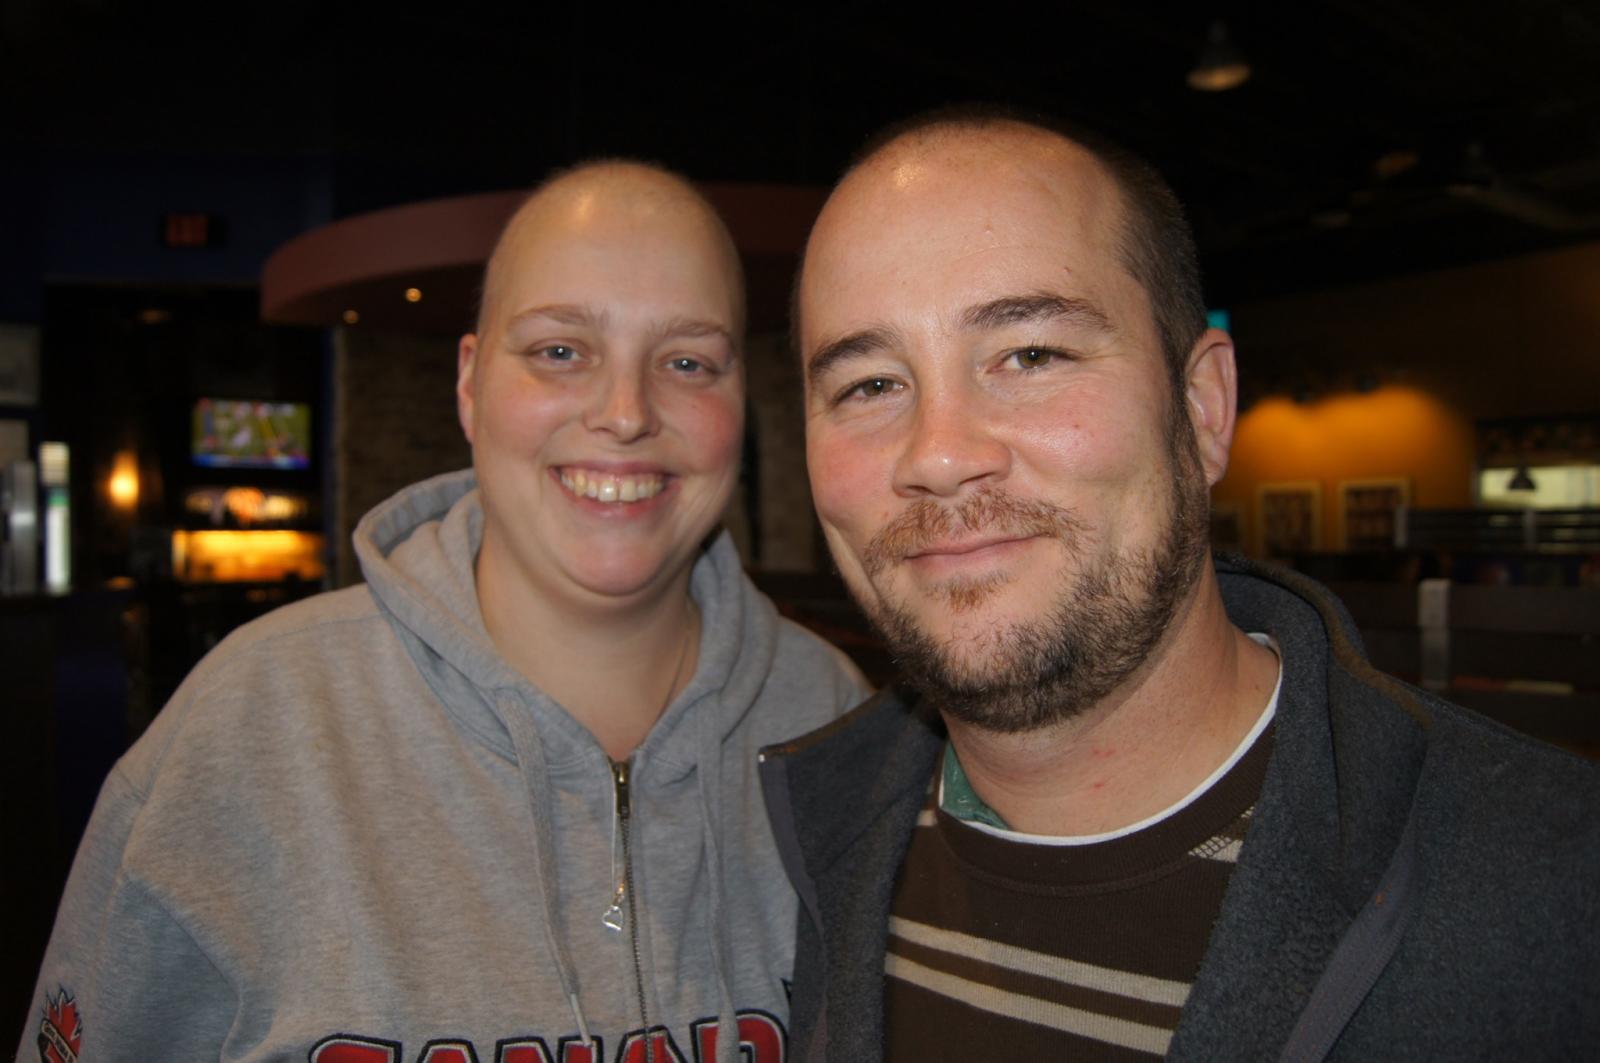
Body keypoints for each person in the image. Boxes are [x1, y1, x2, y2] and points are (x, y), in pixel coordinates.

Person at [759, 112, 1600, 1061]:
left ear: (1202, 408)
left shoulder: (1560, 891)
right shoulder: (798, 851)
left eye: (1031, 354)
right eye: (870, 385)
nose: (940, 455)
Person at [20, 162, 868, 1063]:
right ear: (469, 384)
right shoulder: (245, 729)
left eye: (688, 361)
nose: (625, 413)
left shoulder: (836, 721)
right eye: (560, 351)